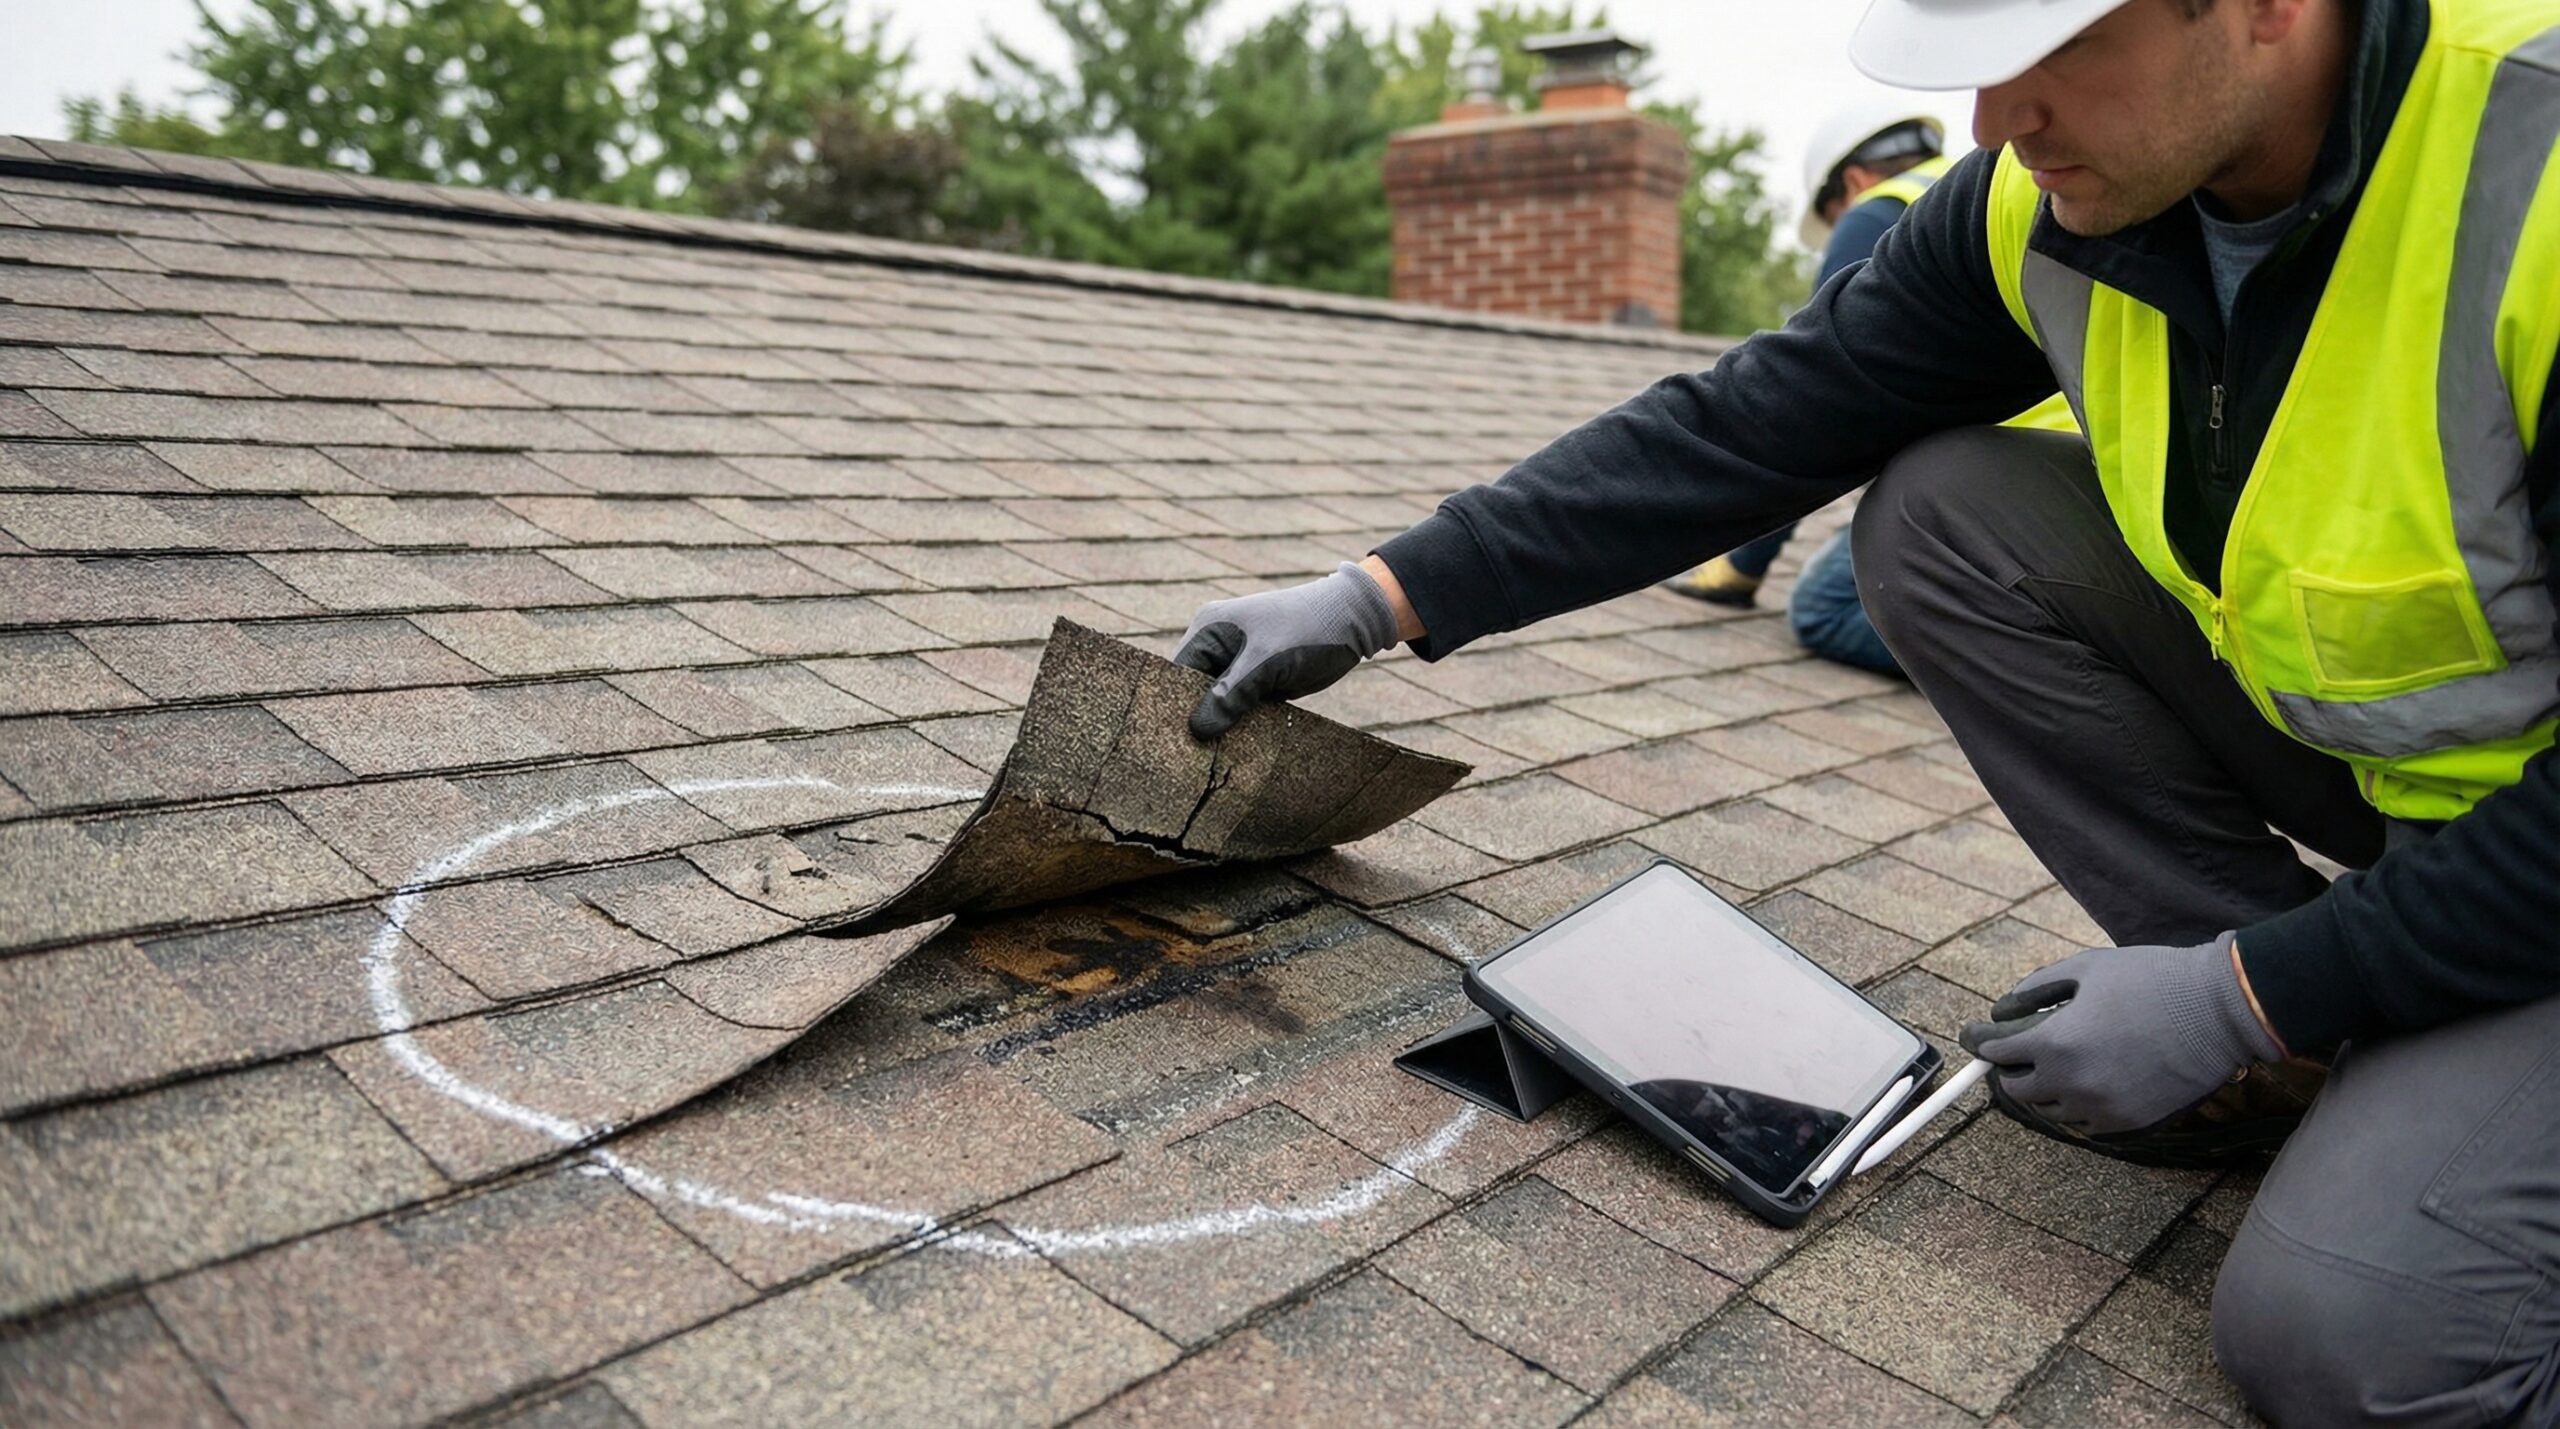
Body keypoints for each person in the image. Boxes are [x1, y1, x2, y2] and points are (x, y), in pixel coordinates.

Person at [1174, 0, 2560, 1419]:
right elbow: (1760, 420)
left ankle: (2355, 1048)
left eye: (2053, 51)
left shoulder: (2540, 162)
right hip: (2413, 787)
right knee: (1943, 517)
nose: (1992, 123)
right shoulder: (2049, 200)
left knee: (2350, 1339)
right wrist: (1384, 591)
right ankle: (2345, 1064)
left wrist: (2253, 989)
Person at [1667, 108, 2082, 679]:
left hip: (2006, 473)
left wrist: (1743, 566)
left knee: (1825, 606)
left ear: (1855, 181)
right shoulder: (1979, 187)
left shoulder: (1878, 215)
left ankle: (2065, 672)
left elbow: (1817, 405)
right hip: (2076, 461)